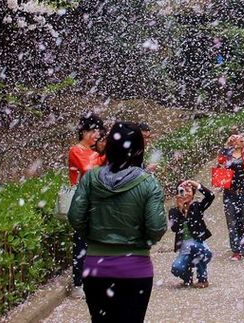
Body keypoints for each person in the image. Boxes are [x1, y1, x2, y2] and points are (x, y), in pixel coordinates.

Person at [68, 122, 167, 322]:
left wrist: (95, 238)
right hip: (135, 268)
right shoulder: (148, 183)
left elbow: (75, 217)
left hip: (96, 266)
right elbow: (156, 227)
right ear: (140, 149)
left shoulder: (90, 179)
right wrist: (139, 242)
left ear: (110, 146)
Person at [67, 114, 106, 298]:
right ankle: (78, 283)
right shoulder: (76, 150)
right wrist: (104, 155)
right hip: (82, 203)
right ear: (83, 131)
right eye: (93, 131)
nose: (96, 135)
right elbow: (88, 169)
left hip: (98, 203)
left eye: (99, 131)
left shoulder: (97, 153)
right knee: (81, 243)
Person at [217, 133, 244, 260]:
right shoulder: (227, 154)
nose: (237, 142)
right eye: (235, 140)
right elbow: (220, 167)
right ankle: (236, 250)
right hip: (229, 193)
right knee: (232, 223)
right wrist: (226, 146)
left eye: (240, 139)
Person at [168, 180, 215, 287]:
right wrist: (180, 210)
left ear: (193, 195)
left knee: (194, 247)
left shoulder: (197, 207)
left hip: (202, 251)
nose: (185, 194)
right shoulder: (174, 211)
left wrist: (195, 184)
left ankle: (203, 279)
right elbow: (174, 228)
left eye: (188, 191)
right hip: (185, 252)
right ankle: (187, 278)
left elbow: (210, 196)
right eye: (182, 191)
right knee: (176, 268)